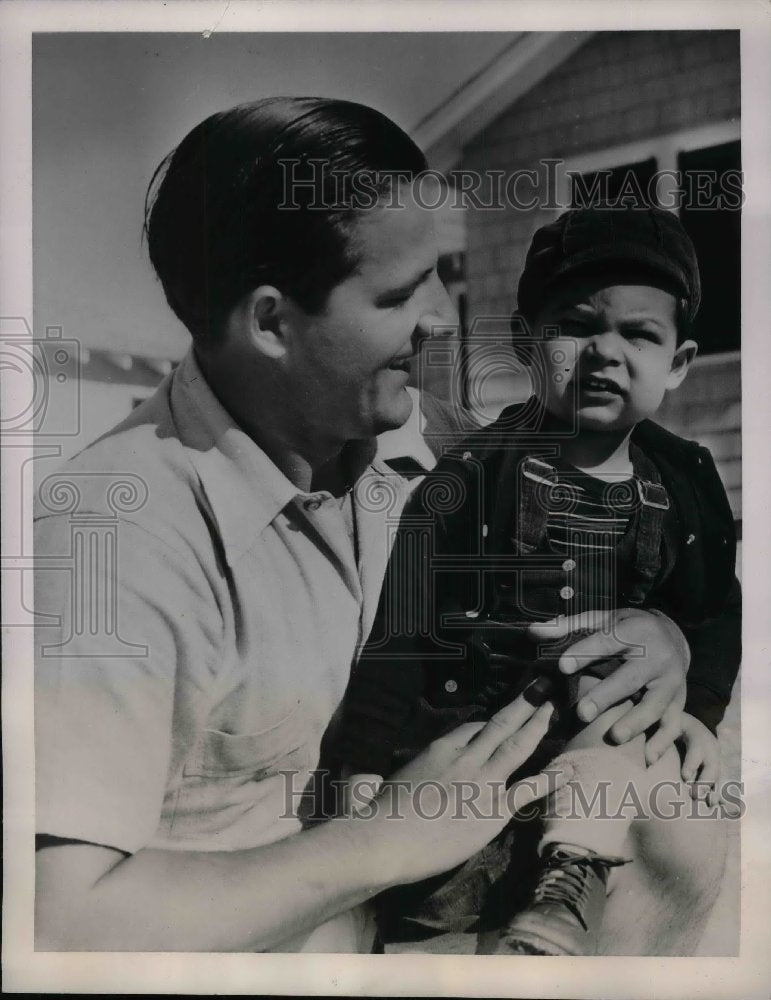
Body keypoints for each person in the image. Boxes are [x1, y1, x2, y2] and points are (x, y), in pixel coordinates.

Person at [33, 97, 575, 953]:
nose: (441, 316)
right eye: (399, 293)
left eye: (438, 271)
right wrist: (382, 842)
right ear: (271, 322)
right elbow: (66, 925)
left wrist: (665, 638)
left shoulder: (443, 442)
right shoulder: (115, 534)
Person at [334, 205, 741, 955]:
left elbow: (713, 609)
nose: (604, 354)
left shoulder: (684, 479)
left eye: (638, 335)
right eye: (577, 327)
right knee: (436, 912)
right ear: (526, 343)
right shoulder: (470, 476)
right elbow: (405, 628)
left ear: (677, 363)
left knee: (616, 770)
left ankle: (569, 887)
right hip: (482, 734)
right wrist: (360, 770)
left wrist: (700, 710)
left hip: (604, 730)